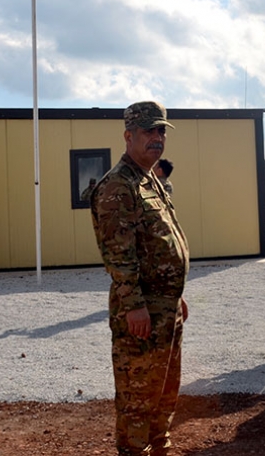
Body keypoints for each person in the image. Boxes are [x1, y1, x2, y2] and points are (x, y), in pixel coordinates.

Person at [91, 101, 190, 456]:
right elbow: (119, 254)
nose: (157, 137)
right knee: (138, 397)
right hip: (142, 313)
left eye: (161, 130)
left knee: (164, 391)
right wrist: (133, 305)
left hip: (165, 307)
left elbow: (160, 244)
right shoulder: (119, 185)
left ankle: (160, 446)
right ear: (128, 136)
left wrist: (176, 295)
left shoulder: (150, 180)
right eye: (149, 131)